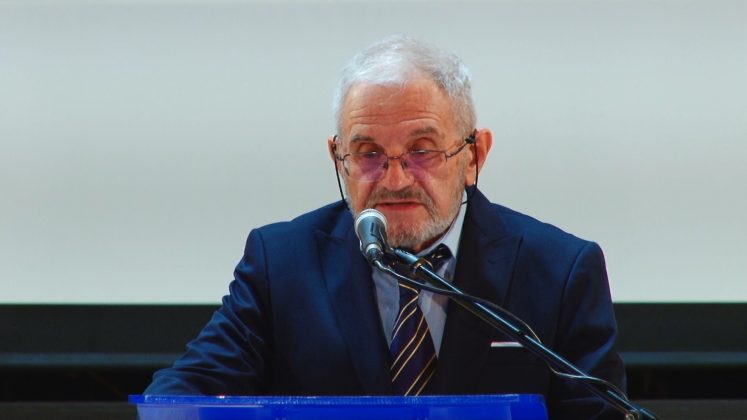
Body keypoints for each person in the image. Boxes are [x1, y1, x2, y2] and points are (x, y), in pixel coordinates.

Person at [145, 35, 626, 418]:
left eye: (422, 150)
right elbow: (180, 395)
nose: (394, 180)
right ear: (337, 157)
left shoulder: (560, 271)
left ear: (474, 156)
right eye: (368, 153)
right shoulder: (282, 263)